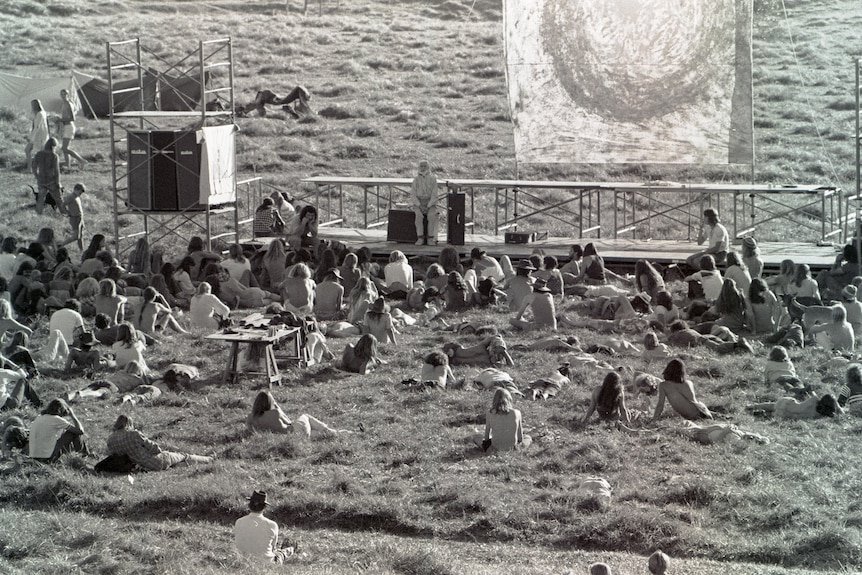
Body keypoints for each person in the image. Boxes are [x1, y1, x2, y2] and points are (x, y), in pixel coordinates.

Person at [106, 414, 213, 471]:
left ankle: (189, 464)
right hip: (153, 462)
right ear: (129, 424)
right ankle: (208, 459)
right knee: (183, 456)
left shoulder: (110, 439)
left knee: (175, 462)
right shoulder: (133, 434)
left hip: (135, 466)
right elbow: (155, 448)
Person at [246, 390, 346, 439]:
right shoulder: (274, 412)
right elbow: (289, 421)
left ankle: (342, 433)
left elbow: (250, 431)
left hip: (289, 439)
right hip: (294, 431)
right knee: (306, 416)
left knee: (319, 434)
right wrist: (276, 404)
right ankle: (329, 430)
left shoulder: (250, 418)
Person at [234, 490, 295, 564]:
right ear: (264, 507)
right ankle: (291, 549)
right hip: (267, 562)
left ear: (249, 505)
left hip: (243, 561)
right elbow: (273, 548)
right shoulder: (272, 525)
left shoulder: (239, 522)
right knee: (282, 553)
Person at [472, 388, 532, 452]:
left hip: (494, 449)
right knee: (528, 438)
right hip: (513, 449)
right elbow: (520, 438)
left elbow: (486, 437)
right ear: (509, 399)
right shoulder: (516, 413)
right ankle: (519, 450)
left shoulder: (489, 413)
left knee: (477, 437)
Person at [748, 393, 841, 419]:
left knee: (772, 405)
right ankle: (762, 415)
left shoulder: (814, 400)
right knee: (773, 413)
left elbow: (810, 393)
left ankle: (754, 406)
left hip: (790, 404)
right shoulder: (818, 416)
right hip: (789, 415)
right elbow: (839, 413)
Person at [410, 160, 438, 245]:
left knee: (431, 216)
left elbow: (435, 195)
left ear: (428, 167)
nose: (423, 168)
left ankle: (430, 239)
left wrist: (429, 205)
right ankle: (420, 238)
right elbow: (413, 194)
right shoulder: (416, 179)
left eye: (424, 166)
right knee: (418, 216)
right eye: (421, 166)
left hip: (430, 203)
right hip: (419, 203)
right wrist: (419, 205)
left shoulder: (433, 179)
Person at [32, 138, 62, 215]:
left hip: (41, 180)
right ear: (53, 147)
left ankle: (39, 215)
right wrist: (58, 182)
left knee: (40, 199)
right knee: (58, 199)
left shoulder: (38, 154)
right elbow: (56, 171)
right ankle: (64, 214)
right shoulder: (54, 156)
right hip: (51, 180)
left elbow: (34, 167)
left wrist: (37, 176)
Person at [58, 88, 86, 170]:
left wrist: (60, 120)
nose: (63, 96)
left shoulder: (68, 104)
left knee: (65, 148)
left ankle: (81, 160)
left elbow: (72, 118)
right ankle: (67, 165)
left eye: (65, 94)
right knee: (65, 148)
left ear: (68, 95)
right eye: (62, 94)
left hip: (69, 127)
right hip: (65, 126)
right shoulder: (64, 104)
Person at [59, 183, 87, 251]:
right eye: (80, 192)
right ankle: (60, 245)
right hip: (74, 218)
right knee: (75, 237)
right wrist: (67, 212)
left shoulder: (77, 197)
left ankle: (81, 250)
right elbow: (63, 205)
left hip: (80, 218)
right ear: (76, 189)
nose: (80, 194)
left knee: (80, 236)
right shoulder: (70, 197)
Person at [24, 98, 49, 168]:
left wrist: (30, 137)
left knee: (33, 151)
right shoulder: (42, 113)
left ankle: (34, 168)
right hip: (40, 135)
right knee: (28, 150)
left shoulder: (40, 114)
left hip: (38, 136)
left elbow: (37, 127)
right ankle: (30, 167)